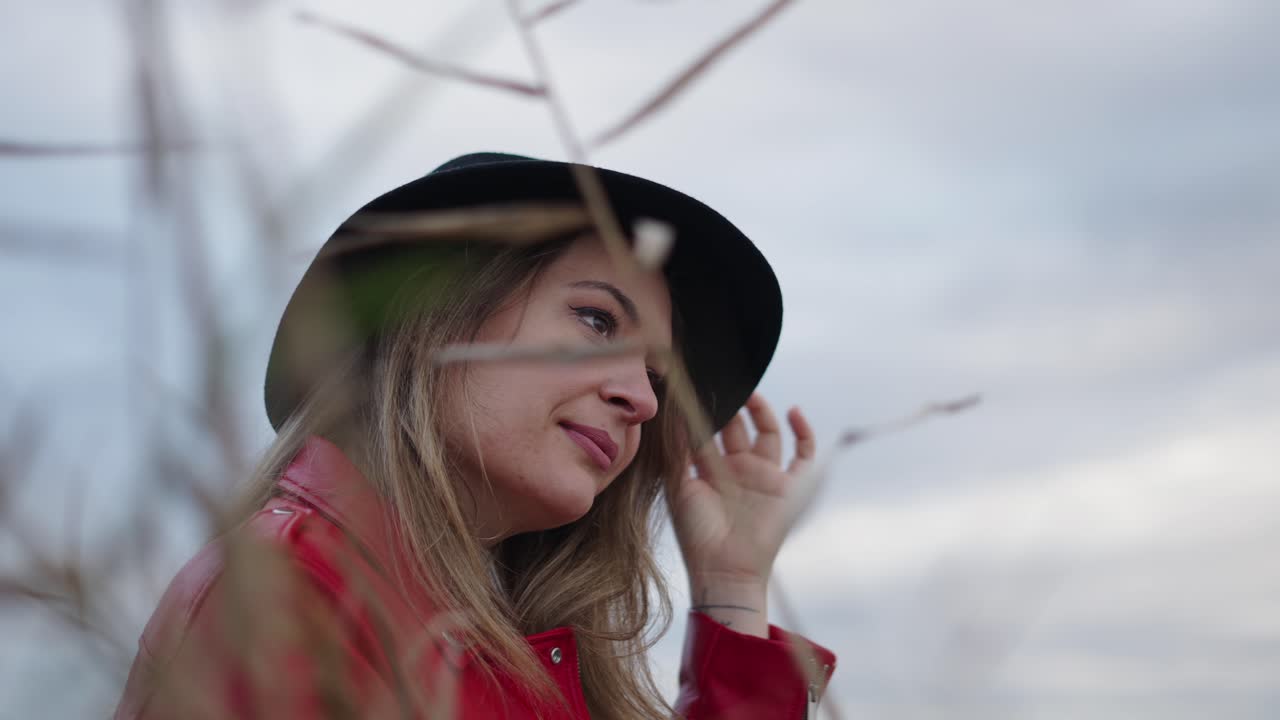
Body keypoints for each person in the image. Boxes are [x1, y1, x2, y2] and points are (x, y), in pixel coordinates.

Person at [113, 153, 837, 720]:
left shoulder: (507, 649)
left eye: (656, 374)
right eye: (597, 321)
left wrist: (733, 589)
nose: (644, 400)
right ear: (436, 319)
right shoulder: (288, 594)